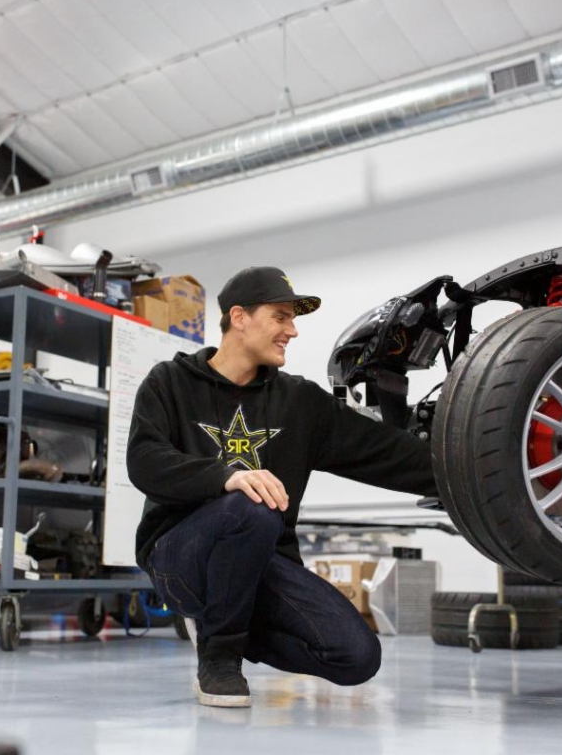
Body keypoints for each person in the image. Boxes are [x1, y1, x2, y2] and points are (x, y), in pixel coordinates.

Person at [127, 266, 439, 708]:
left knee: (357, 657)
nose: (292, 331)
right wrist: (224, 476)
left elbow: (387, 454)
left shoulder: (300, 402)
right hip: (180, 558)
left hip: (261, 562)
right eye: (280, 317)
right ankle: (218, 656)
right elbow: (144, 461)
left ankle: (228, 619)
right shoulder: (170, 383)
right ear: (239, 317)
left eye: (293, 320)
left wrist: (474, 474)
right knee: (251, 505)